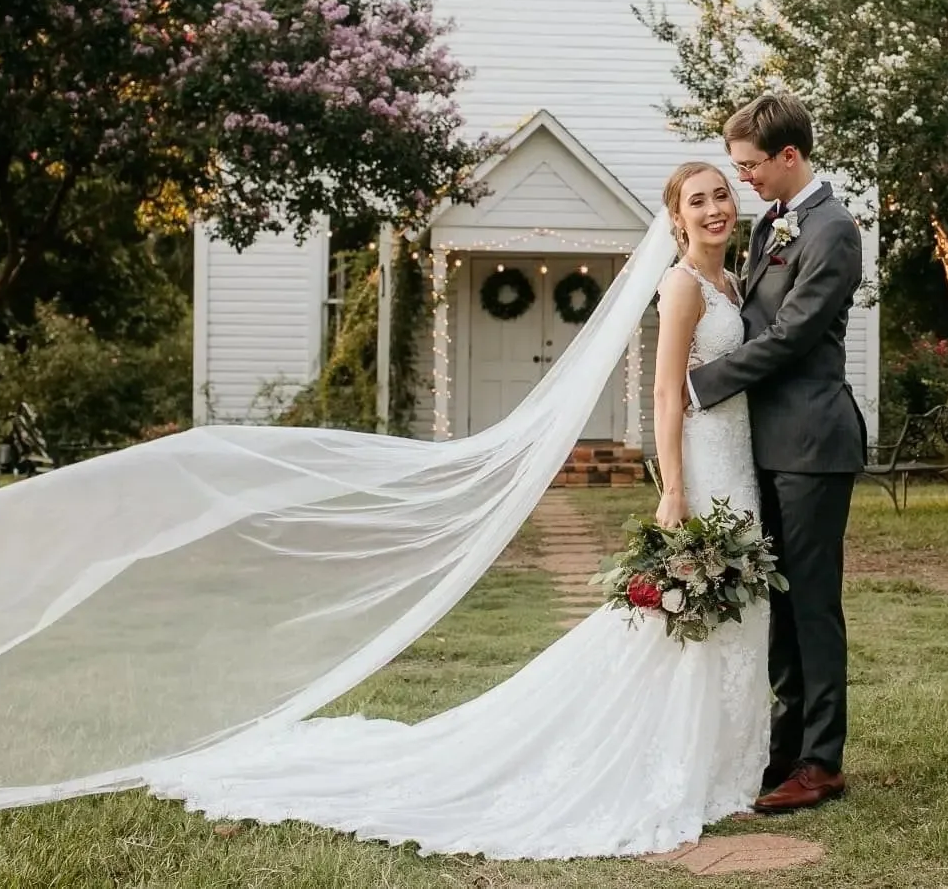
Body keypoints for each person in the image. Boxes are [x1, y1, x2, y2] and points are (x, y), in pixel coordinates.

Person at [141, 161, 771, 859]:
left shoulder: (731, 283)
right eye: (697, 200)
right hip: (705, 469)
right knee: (684, 621)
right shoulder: (682, 285)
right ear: (676, 217)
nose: (714, 208)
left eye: (721, 195)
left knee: (730, 615)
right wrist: (674, 489)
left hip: (737, 463)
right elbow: (662, 395)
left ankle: (725, 769)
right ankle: (682, 767)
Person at [688, 91, 866, 815]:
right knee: (781, 606)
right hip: (764, 442)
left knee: (813, 608)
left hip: (812, 444)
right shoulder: (771, 225)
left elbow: (792, 337)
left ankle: (821, 763)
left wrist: (700, 386)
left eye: (751, 166)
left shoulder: (834, 232)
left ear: (789, 156)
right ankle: (785, 750)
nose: (744, 180)